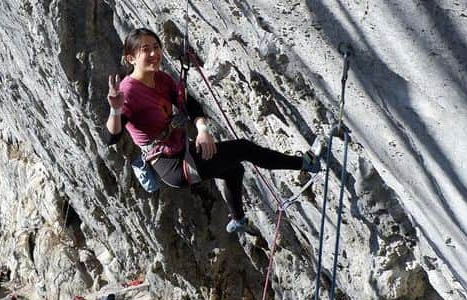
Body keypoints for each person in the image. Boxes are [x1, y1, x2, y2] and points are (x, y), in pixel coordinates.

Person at [106, 28, 320, 234]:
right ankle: (305, 164)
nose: (154, 53)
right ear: (131, 58)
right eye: (145, 49)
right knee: (243, 149)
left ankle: (238, 220)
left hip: (181, 148)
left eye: (156, 46)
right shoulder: (129, 93)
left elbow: (190, 105)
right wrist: (115, 111)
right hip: (173, 164)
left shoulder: (161, 79)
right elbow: (111, 137)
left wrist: (202, 129)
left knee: (233, 170)